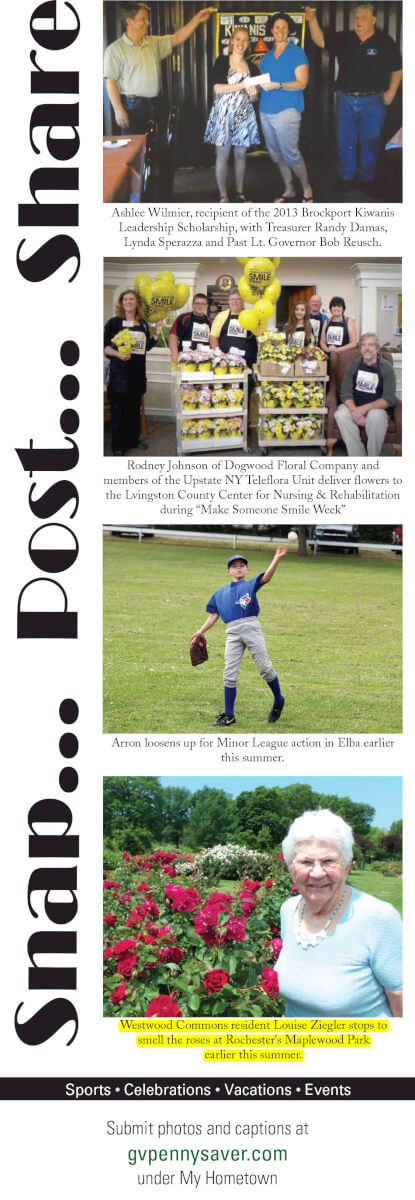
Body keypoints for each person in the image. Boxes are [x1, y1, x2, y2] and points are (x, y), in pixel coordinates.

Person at [276, 809, 402, 1018]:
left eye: (328, 861)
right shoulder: (289, 910)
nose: (317, 873)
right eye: (306, 862)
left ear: (346, 868)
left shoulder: (378, 917)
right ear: (291, 870)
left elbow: (400, 995)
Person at [305, 4, 402, 187]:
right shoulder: (344, 38)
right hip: (345, 99)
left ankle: (367, 179)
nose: (358, 21)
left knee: (370, 140)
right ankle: (347, 177)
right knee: (345, 140)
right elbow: (320, 40)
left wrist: (391, 91)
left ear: (374, 20)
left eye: (363, 17)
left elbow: (397, 69)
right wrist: (312, 20)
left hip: (373, 101)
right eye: (356, 17)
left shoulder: (384, 41)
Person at [191, 547, 287, 728]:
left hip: (251, 626)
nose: (238, 568)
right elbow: (214, 615)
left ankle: (278, 699)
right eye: (234, 566)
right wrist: (200, 631)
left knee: (265, 668)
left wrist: (277, 558)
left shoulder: (250, 585)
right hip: (232, 632)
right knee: (229, 674)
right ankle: (229, 716)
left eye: (242, 565)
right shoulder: (219, 593)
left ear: (247, 569)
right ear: (229, 571)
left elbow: (267, 576)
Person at [104, 4, 213, 133]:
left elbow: (177, 38)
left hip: (156, 104)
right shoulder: (115, 49)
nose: (148, 23)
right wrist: (118, 110)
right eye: (143, 19)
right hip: (133, 107)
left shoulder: (153, 42)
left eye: (147, 19)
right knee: (137, 149)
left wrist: (197, 20)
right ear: (129, 21)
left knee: (157, 148)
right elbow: (110, 80)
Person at [258, 12, 312, 203]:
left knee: (291, 153)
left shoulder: (297, 52)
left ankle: (307, 189)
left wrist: (278, 84)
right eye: (277, 27)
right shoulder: (266, 57)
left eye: (284, 27)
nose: (280, 30)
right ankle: (289, 188)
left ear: (289, 30)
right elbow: (260, 83)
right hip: (265, 110)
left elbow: (302, 83)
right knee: (275, 153)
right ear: (271, 30)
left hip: (287, 110)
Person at [204, 26, 261, 203]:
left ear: (248, 44)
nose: (241, 43)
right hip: (224, 113)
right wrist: (244, 85)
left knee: (241, 155)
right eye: (238, 39)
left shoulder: (252, 66)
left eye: (245, 40)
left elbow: (254, 98)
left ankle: (240, 193)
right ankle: (224, 195)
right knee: (222, 154)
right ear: (231, 40)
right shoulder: (222, 61)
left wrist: (253, 94)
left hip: (244, 113)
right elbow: (218, 89)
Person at [104, 289, 162, 455]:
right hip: (119, 374)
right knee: (119, 410)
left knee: (134, 408)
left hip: (137, 373)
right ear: (122, 303)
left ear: (137, 303)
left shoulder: (142, 323)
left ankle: (133, 440)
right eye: (125, 300)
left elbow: (147, 347)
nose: (128, 302)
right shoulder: (114, 323)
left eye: (131, 299)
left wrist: (157, 331)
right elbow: (105, 347)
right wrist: (118, 354)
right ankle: (118, 446)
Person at [335, 332, 396, 456]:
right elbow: (345, 393)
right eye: (363, 345)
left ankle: (373, 458)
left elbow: (389, 399)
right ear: (360, 348)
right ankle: (358, 456)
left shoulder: (386, 368)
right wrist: (355, 411)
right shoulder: (353, 365)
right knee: (340, 415)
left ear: (377, 348)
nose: (367, 348)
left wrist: (362, 410)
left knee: (376, 418)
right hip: (354, 404)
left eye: (371, 345)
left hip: (377, 408)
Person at [210, 289, 258, 369]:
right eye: (232, 299)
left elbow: (258, 335)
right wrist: (218, 355)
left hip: (247, 362)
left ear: (243, 301)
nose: (235, 301)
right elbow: (213, 337)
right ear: (229, 302)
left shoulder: (251, 315)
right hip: (226, 363)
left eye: (238, 299)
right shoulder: (221, 316)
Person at [169, 294, 211, 362]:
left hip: (204, 360)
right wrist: (174, 355)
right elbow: (173, 335)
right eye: (197, 303)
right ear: (193, 305)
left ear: (207, 306)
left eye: (203, 304)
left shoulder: (210, 322)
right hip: (184, 358)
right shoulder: (183, 318)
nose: (200, 306)